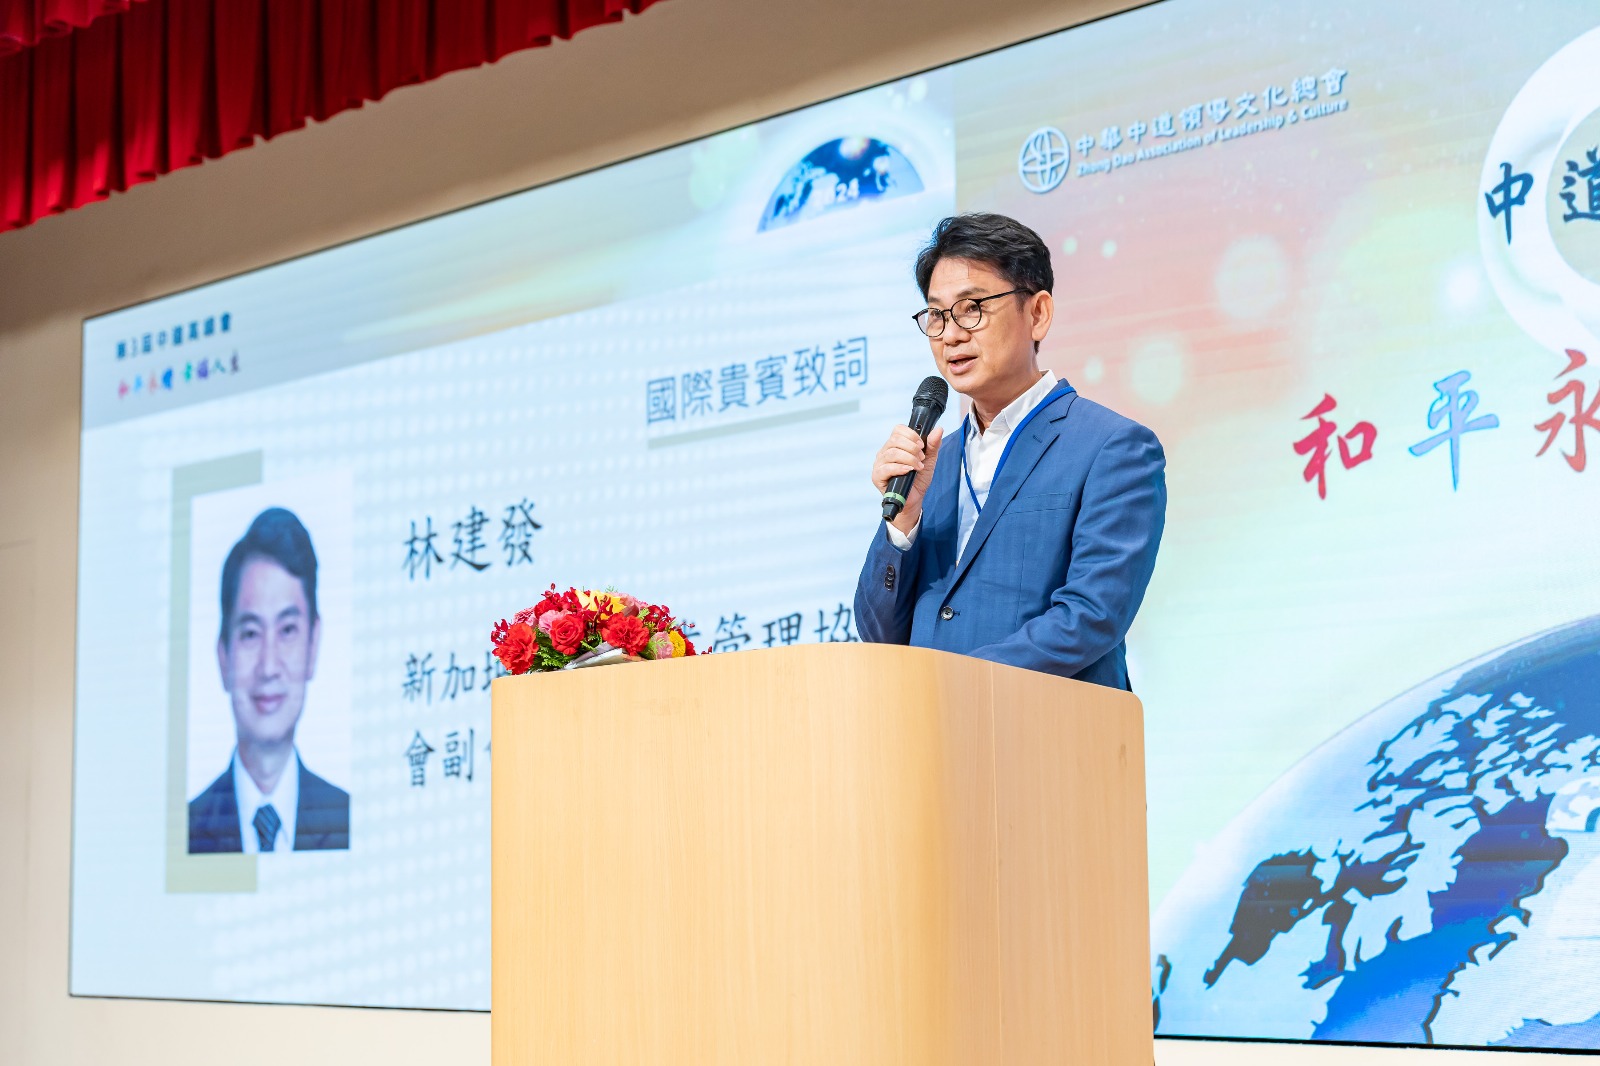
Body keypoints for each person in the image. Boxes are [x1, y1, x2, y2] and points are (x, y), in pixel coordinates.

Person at [854, 213, 1165, 689]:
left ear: (1037, 314)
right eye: (936, 315)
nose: (951, 335)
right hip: (933, 729)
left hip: (1047, 726)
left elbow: (1091, 616)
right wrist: (903, 523)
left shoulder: (1112, 447)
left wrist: (960, 683)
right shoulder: (931, 462)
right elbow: (880, 636)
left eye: (972, 308)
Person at [188, 507, 349, 852]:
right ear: (223, 655)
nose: (269, 666)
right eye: (250, 633)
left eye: (287, 630)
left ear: (313, 645)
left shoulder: (346, 819)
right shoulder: (188, 828)